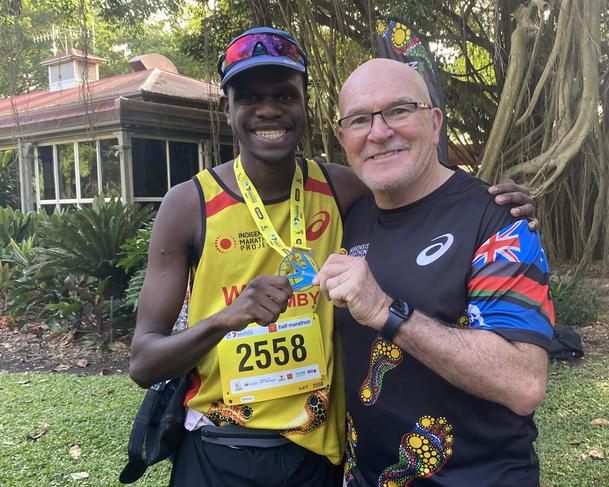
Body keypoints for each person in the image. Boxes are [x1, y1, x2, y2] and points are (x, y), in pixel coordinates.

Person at [128, 28, 538, 487]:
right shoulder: (188, 204)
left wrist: (495, 203)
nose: (268, 110)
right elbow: (143, 362)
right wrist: (226, 319)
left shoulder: (343, 188)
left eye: (285, 95)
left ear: (305, 106)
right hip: (221, 450)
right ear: (227, 109)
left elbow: (414, 187)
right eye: (249, 97)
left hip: (318, 457)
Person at [314, 58, 554, 487]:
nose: (379, 131)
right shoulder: (347, 220)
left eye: (399, 110)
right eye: (359, 119)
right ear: (343, 137)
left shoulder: (498, 221)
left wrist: (387, 311)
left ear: (435, 120)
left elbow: (524, 381)